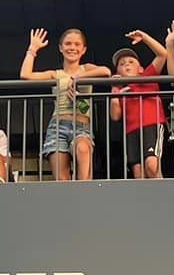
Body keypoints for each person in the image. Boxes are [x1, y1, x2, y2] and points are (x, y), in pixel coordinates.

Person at [21, 26, 110, 182]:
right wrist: (32, 49)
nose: (72, 48)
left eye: (77, 44)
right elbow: (25, 75)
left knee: (83, 149)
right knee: (62, 180)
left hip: (81, 125)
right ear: (61, 48)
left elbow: (106, 71)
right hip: (57, 126)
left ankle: (85, 196)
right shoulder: (55, 74)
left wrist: (78, 78)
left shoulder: (86, 68)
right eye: (68, 44)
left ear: (83, 50)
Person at [110, 25, 174, 178]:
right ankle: (146, 202)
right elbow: (115, 116)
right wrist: (115, 90)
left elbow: (162, 54)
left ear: (140, 68)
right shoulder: (120, 89)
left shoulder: (147, 77)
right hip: (131, 131)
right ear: (118, 72)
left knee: (152, 166)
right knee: (138, 173)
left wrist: (144, 38)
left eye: (130, 62)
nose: (126, 64)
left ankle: (162, 200)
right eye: (121, 64)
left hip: (151, 125)